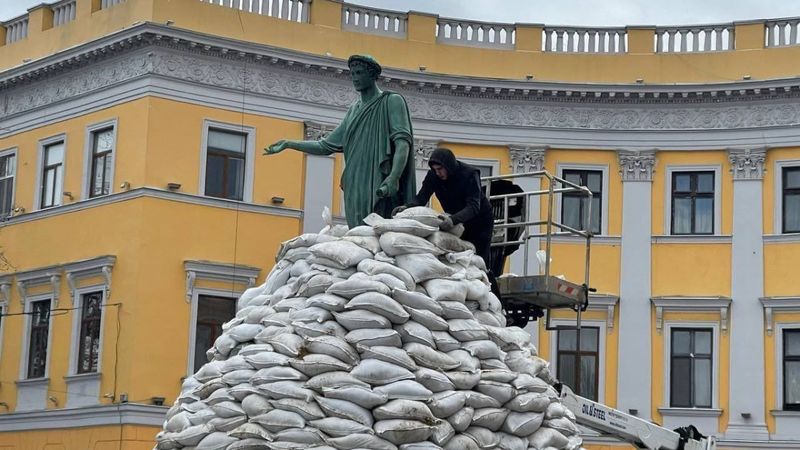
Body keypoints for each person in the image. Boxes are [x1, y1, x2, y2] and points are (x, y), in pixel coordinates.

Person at [265, 55, 416, 228]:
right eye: (352, 74)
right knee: (358, 231)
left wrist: (394, 177)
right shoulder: (353, 111)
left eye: (359, 73)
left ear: (373, 75)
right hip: (354, 181)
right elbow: (325, 146)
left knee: (379, 229)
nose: (355, 78)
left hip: (379, 178)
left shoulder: (391, 101)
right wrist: (289, 144)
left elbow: (403, 143)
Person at [394, 147, 495, 267]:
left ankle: (488, 282)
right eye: (435, 169)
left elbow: (473, 206)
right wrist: (406, 207)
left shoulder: (469, 174)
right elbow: (421, 197)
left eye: (440, 169)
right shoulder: (433, 176)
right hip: (455, 223)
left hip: (479, 222)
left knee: (478, 260)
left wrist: (453, 220)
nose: (438, 173)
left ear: (449, 166)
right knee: (457, 257)